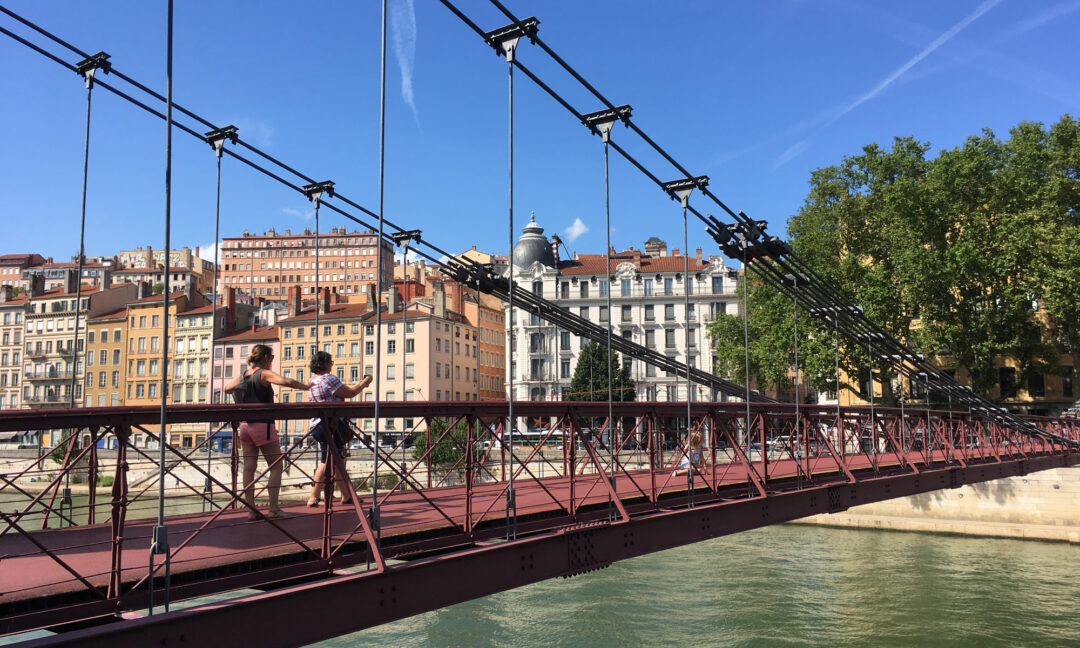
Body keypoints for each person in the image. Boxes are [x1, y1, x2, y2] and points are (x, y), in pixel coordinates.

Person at [225, 344, 309, 520]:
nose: (271, 362)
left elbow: (226, 388)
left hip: (245, 426)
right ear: (264, 358)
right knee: (276, 466)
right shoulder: (262, 373)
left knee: (248, 469)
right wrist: (306, 387)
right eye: (271, 358)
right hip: (263, 425)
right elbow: (287, 381)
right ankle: (273, 509)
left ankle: (251, 510)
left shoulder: (243, 375)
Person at [306, 351, 373, 507]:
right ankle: (313, 497)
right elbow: (350, 392)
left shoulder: (312, 380)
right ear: (323, 363)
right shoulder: (328, 379)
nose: (331, 364)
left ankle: (346, 495)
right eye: (330, 362)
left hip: (318, 424)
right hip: (330, 425)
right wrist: (365, 382)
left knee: (337, 462)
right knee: (326, 462)